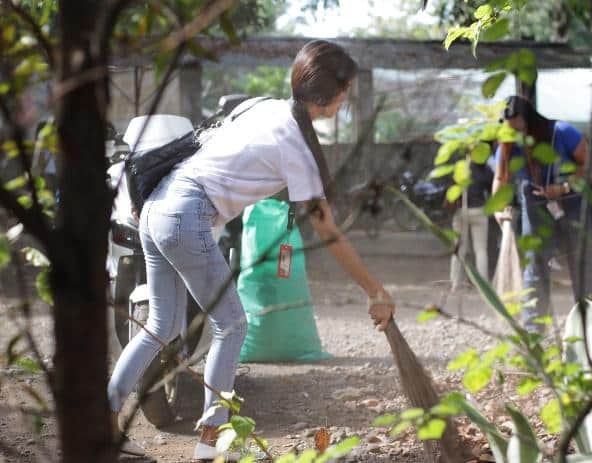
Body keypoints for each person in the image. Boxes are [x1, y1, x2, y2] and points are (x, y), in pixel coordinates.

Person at [107, 40, 396, 461]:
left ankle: (105, 415)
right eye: (346, 89)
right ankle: (210, 443)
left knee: (163, 324)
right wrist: (374, 290)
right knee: (232, 325)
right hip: (186, 213)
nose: (346, 98)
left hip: (156, 208)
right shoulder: (296, 144)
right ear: (331, 92)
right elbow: (329, 232)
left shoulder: (265, 107)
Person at [494, 95, 592, 331]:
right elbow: (500, 179)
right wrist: (499, 210)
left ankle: (587, 328)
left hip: (570, 203)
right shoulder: (507, 145)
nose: (514, 133)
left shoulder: (561, 132)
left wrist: (563, 187)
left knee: (581, 265)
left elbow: (589, 164)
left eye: (518, 126)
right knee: (535, 267)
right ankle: (535, 332)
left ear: (529, 120)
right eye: (508, 128)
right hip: (533, 206)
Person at [449, 154, 494, 293]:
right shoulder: (485, 170)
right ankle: (483, 286)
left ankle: (455, 284)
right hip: (479, 210)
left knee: (459, 249)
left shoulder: (460, 168)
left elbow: (452, 192)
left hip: (461, 211)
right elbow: (492, 189)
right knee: (480, 250)